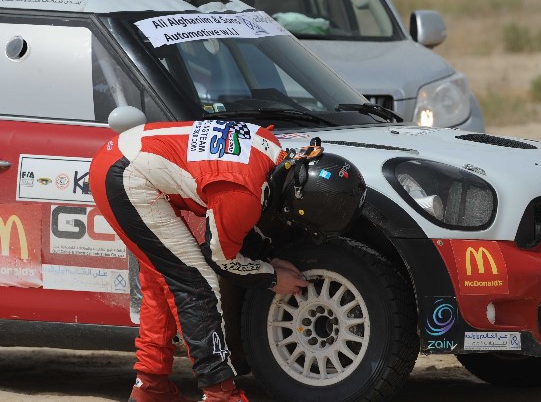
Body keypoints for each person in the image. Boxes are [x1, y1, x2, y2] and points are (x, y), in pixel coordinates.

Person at [89, 119, 366, 402]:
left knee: (162, 280)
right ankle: (220, 394)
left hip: (125, 156)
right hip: (126, 176)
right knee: (196, 284)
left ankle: (151, 387)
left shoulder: (271, 149)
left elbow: (239, 223)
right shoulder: (243, 193)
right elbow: (221, 259)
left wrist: (269, 258)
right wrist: (271, 277)